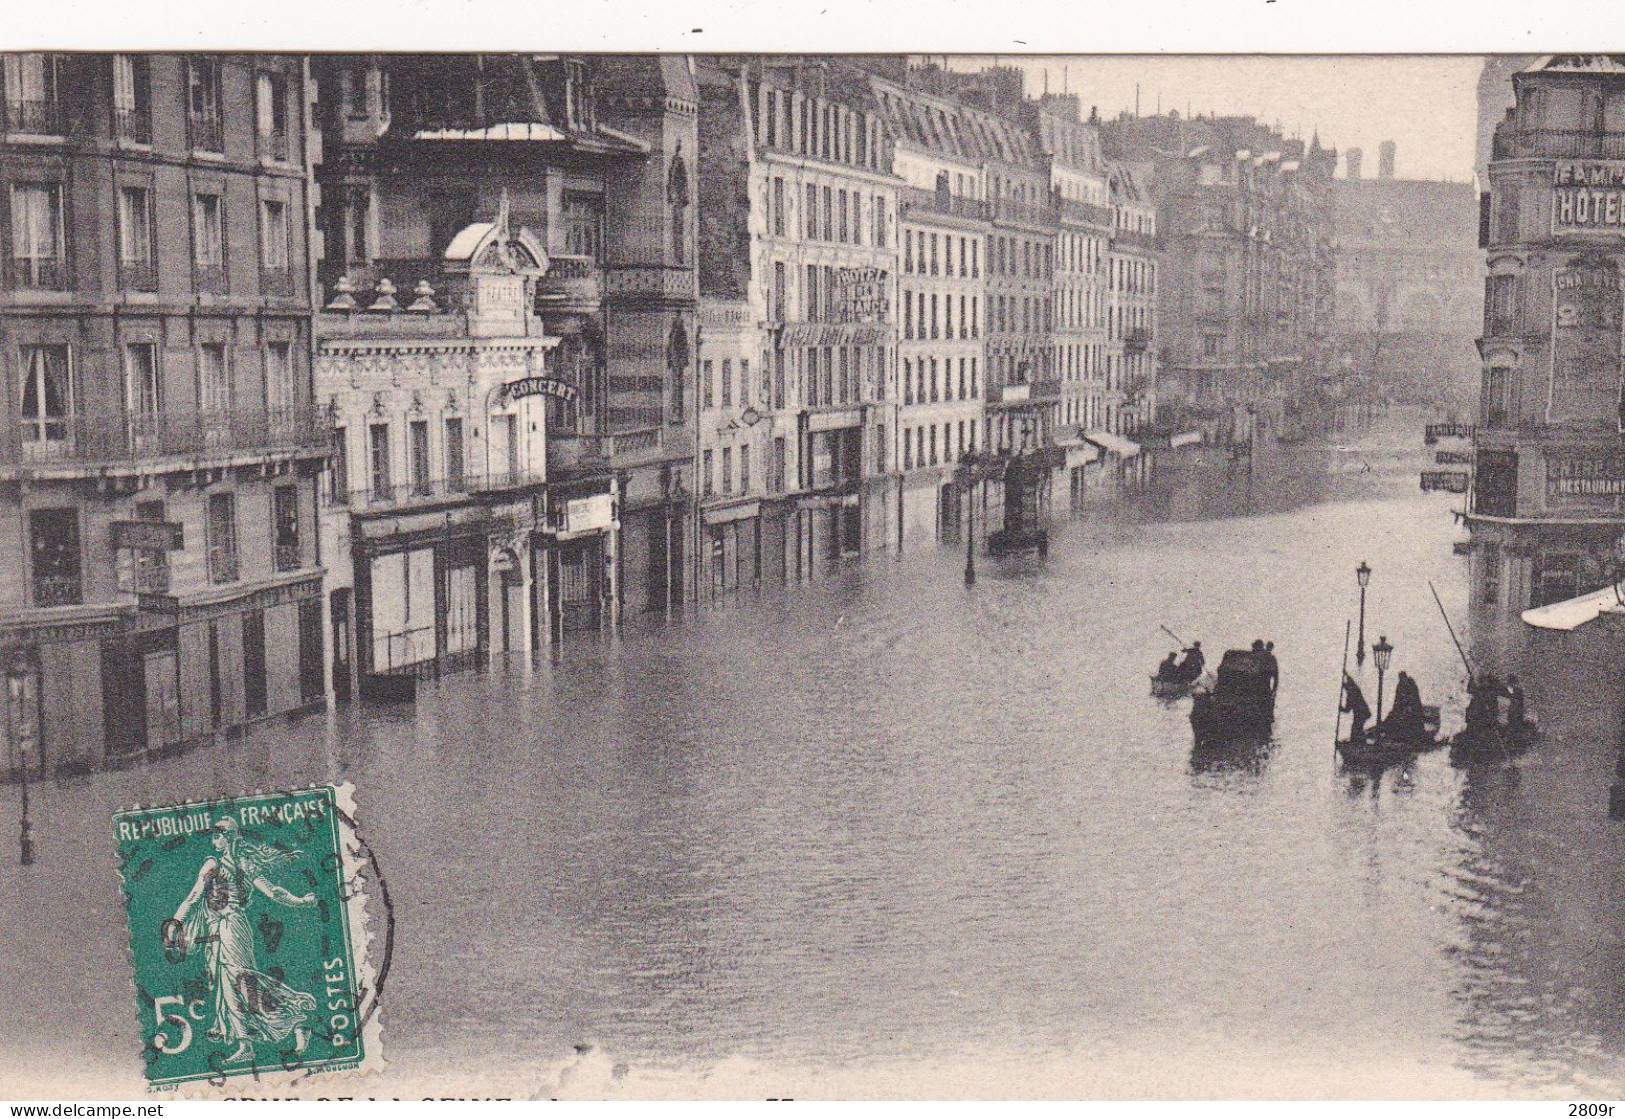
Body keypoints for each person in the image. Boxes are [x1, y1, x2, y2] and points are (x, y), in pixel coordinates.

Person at [167, 818, 319, 1064]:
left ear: (230, 837)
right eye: (213, 837)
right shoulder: (243, 863)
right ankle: (246, 1042)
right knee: (228, 986)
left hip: (230, 927)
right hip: (220, 929)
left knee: (240, 983)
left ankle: (295, 1019)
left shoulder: (215, 864)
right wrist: (300, 901)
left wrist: (175, 924)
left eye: (219, 836)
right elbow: (273, 892)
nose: (214, 841)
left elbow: (194, 897)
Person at [1386, 670, 1424, 743]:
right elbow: (1397, 701)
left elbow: (1414, 700)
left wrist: (1407, 707)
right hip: (1403, 708)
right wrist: (1395, 710)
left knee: (1406, 719)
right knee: (1393, 717)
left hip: (1412, 710)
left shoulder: (1411, 686)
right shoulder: (1400, 686)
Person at [1342, 674, 1372, 744]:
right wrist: (1346, 674)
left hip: (1362, 713)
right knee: (1357, 727)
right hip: (1362, 713)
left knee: (1356, 727)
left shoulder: (1352, 693)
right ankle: (1359, 741)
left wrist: (1341, 708)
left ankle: (1358, 741)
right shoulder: (1354, 691)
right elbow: (1347, 709)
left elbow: (1347, 710)